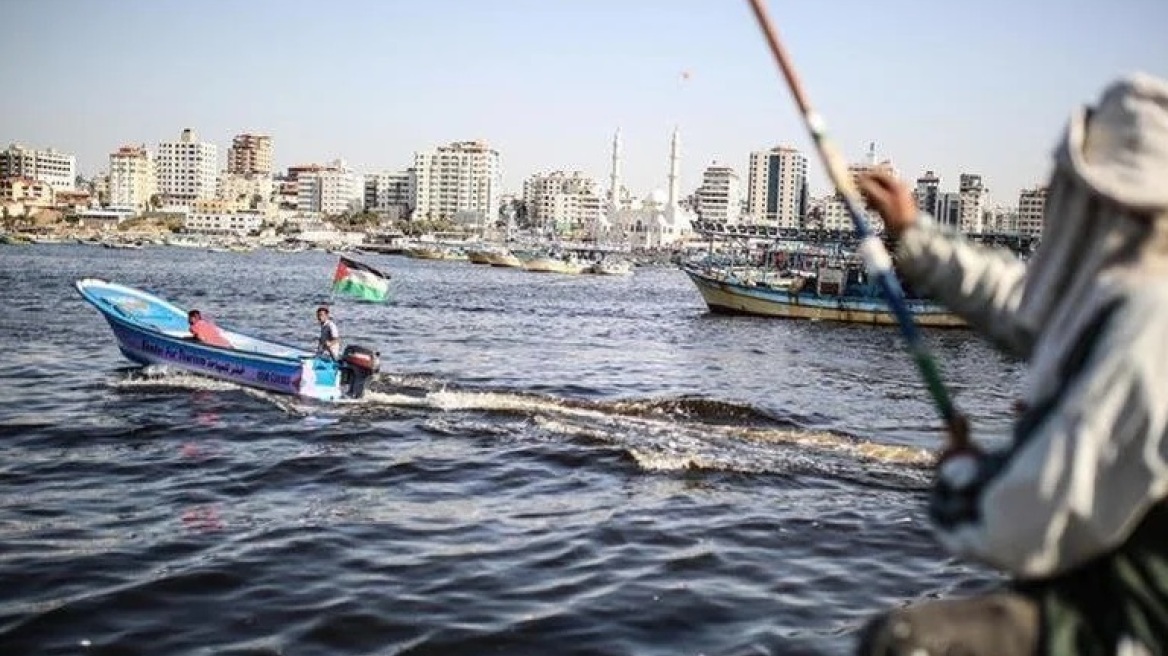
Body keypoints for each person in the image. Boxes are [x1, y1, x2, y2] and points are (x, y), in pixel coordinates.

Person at [853, 72, 1168, 656]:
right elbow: (1025, 307)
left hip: (1130, 626)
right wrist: (913, 233)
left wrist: (961, 476)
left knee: (906, 642)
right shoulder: (1123, 300)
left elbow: (1027, 520)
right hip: (1096, 587)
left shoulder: (1149, 324)